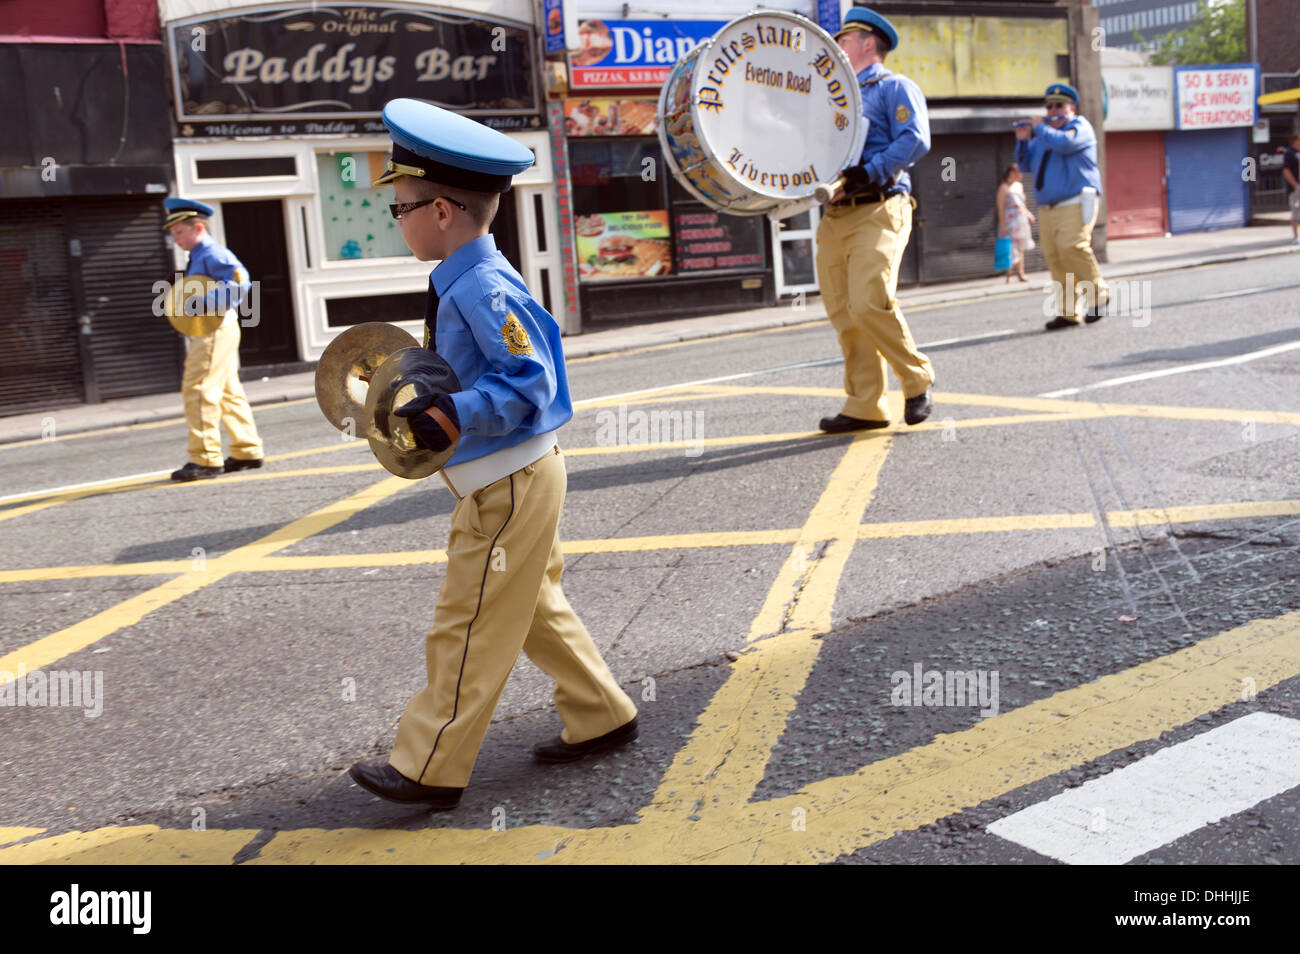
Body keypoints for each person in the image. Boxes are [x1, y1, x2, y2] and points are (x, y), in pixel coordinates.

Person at [348, 99, 639, 810]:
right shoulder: (466, 276)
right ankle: (602, 713)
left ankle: (430, 764)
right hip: (512, 476)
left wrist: (454, 412)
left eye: (401, 208)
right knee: (530, 604)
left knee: (469, 618)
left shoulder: (480, 283)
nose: (400, 219)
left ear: (442, 210)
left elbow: (531, 377)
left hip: (507, 481)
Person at [815, 6, 934, 434]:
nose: (838, 46)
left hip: (879, 207)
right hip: (834, 215)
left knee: (869, 301)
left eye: (844, 39)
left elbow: (916, 138)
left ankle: (917, 378)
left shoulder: (893, 87)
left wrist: (870, 170)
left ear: (868, 43)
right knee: (844, 311)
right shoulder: (831, 94)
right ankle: (865, 404)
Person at [162, 198, 264, 481]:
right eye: (173, 235)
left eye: (179, 233)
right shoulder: (199, 255)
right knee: (228, 391)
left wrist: (201, 302)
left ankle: (205, 458)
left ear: (197, 227)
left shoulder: (211, 252)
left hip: (212, 330)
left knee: (198, 388)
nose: (176, 240)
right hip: (219, 328)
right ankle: (247, 449)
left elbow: (240, 283)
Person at [1014, 83, 1108, 331]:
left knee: (1072, 247)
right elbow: (1024, 166)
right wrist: (1023, 142)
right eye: (1049, 106)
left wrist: (1040, 128)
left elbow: (1065, 145)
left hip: (1076, 201)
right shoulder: (1042, 137)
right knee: (1056, 258)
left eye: (1059, 105)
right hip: (1049, 208)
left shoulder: (1079, 127)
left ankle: (1099, 296)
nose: (1053, 109)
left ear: (1071, 108)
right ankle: (1069, 312)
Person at [996, 163, 1035, 283]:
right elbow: (1001, 208)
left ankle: (1020, 273)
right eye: (1019, 172)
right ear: (1012, 173)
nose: (1021, 174)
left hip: (1021, 221)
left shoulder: (1019, 186)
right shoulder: (1003, 188)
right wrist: (1002, 225)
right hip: (1009, 221)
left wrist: (1029, 214)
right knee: (1009, 248)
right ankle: (1008, 275)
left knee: (1020, 247)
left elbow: (1022, 204)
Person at [1281, 132, 1300, 246]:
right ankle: (1296, 237)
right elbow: (1286, 170)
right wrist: (1296, 186)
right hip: (1295, 188)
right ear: (1295, 141)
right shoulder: (1289, 153)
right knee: (1296, 211)